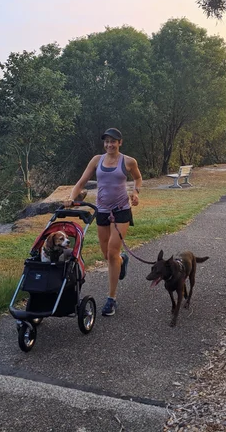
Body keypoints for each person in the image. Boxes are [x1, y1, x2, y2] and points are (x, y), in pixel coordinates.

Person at [64, 127, 142, 316]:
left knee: (112, 250)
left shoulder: (128, 161)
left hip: (121, 211)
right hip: (102, 212)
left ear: (120, 143)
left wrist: (136, 192)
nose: (109, 144)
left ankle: (111, 299)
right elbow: (82, 181)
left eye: (113, 141)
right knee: (107, 255)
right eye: (106, 141)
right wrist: (71, 197)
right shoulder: (96, 160)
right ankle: (122, 261)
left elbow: (138, 178)